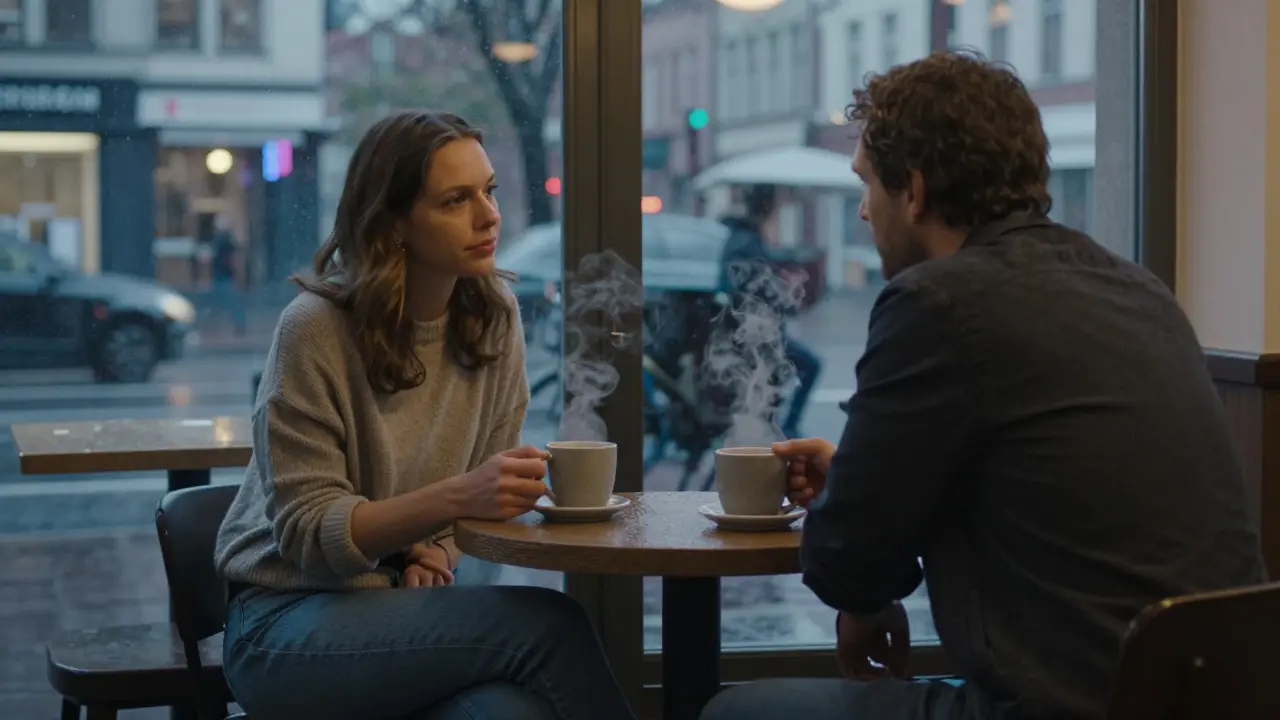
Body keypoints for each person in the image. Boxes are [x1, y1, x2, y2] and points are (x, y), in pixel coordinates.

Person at [701, 50, 1264, 720]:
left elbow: (846, 564)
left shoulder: (938, 302)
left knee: (735, 712)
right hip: (1222, 696)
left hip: (1065, 707)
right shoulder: (1136, 289)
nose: (861, 212)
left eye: (865, 185)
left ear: (911, 190)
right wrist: (860, 486)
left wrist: (857, 530)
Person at [214, 110, 636, 720]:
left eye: (488, 191)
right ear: (394, 222)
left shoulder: (495, 316)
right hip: (283, 620)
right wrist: (457, 498)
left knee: (511, 713)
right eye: (455, 200)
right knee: (548, 624)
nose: (489, 215)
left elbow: (478, 491)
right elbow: (308, 536)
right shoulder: (314, 329)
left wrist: (438, 554)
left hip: (400, 609)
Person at [717, 183, 822, 438]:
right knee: (808, 366)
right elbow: (749, 288)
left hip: (753, 333)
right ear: (769, 207)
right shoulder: (747, 241)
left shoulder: (744, 237)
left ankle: (772, 427)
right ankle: (785, 426)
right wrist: (785, 293)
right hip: (755, 335)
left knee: (778, 382)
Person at [209, 213, 248, 336]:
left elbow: (231, 259)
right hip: (223, 276)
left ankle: (234, 326)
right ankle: (236, 325)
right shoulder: (226, 240)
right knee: (230, 303)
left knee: (227, 303)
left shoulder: (222, 241)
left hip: (223, 276)